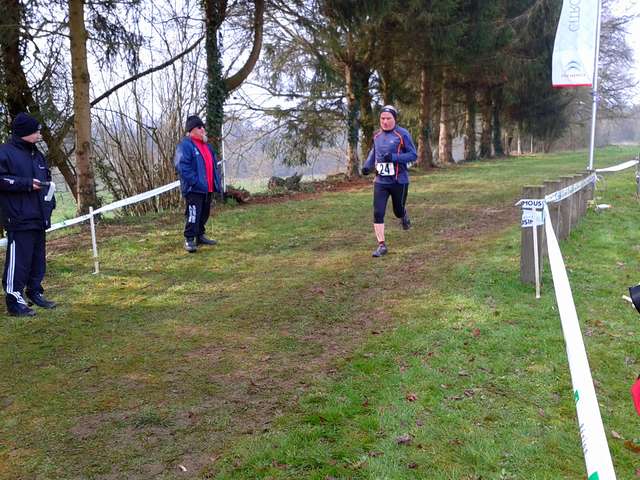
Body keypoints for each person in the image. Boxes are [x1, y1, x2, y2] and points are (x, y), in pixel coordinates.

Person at [0, 112, 57, 316]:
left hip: (39, 217)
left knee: (37, 260)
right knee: (19, 262)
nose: (40, 133)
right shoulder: (5, 153)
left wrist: (50, 203)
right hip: (18, 218)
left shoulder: (37, 154)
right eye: (37, 130)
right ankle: (14, 301)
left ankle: (35, 292)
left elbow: (46, 181)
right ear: (26, 132)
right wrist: (25, 184)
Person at [361, 105, 417, 257]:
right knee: (378, 212)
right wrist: (367, 166)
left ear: (395, 119)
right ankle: (381, 245)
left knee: (398, 211)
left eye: (388, 118)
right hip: (381, 181)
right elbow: (374, 152)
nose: (385, 122)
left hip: (399, 181)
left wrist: (394, 157)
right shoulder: (377, 135)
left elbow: (413, 155)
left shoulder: (402, 134)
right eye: (382, 118)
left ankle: (403, 215)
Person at [174, 115, 221, 253]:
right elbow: (182, 166)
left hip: (207, 188)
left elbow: (213, 165)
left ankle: (200, 236)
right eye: (199, 127)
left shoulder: (207, 146)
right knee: (193, 214)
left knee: (204, 213)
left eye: (203, 127)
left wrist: (215, 181)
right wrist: (195, 181)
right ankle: (189, 239)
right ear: (191, 130)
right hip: (194, 188)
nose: (203, 130)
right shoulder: (185, 146)